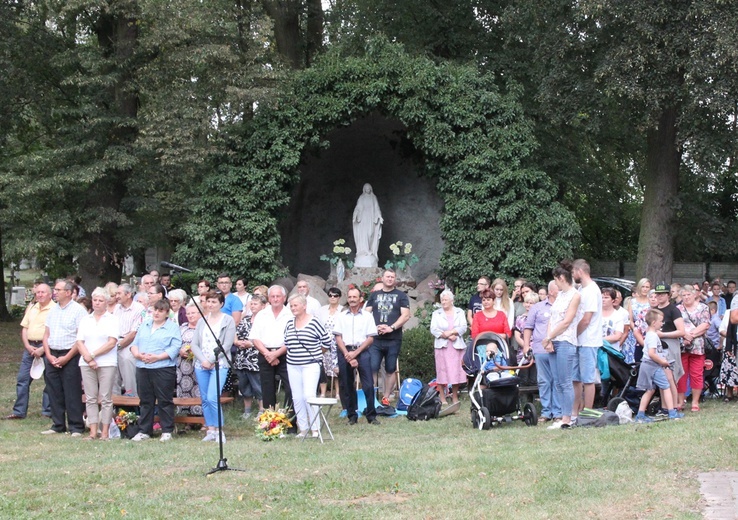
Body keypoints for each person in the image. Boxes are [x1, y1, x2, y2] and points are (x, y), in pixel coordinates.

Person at [130, 299, 182, 442]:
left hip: (163, 368)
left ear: (167, 313)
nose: (157, 313)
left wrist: (158, 357)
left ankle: (167, 430)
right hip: (143, 367)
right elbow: (135, 344)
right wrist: (137, 354)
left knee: (165, 400)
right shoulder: (144, 325)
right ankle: (144, 430)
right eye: (155, 310)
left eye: (161, 311)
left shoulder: (172, 327)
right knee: (145, 400)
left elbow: (175, 346)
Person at [42, 279, 89, 436]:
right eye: (54, 289)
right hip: (52, 354)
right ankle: (58, 424)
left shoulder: (78, 311)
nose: (55, 292)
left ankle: (76, 426)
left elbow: (79, 338)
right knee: (54, 390)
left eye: (58, 290)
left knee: (72, 391)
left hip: (70, 354)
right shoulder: (53, 310)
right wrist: (48, 354)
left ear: (68, 293)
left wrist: (67, 357)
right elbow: (46, 334)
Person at [190, 291, 236, 443]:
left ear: (221, 304)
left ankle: (219, 429)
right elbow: (194, 344)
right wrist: (203, 360)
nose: (210, 304)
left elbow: (227, 344)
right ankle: (210, 429)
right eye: (208, 301)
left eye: (214, 302)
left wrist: (210, 360)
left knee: (212, 397)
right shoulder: (202, 321)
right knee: (204, 399)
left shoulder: (227, 320)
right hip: (201, 364)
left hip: (219, 364)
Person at [284, 294, 332, 438]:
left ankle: (315, 428)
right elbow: (287, 343)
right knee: (297, 397)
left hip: (310, 364)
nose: (293, 308)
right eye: (291, 306)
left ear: (304, 306)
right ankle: (303, 428)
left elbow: (326, 342)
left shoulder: (314, 322)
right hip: (292, 364)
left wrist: (316, 354)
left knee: (309, 396)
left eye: (295, 305)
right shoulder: (289, 323)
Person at [6, 283, 55, 420]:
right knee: (22, 379)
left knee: (49, 380)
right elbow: (24, 328)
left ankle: (48, 411)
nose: (39, 295)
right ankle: (19, 411)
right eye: (38, 292)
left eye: (43, 292)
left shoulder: (55, 310)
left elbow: (55, 332)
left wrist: (42, 349)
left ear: (50, 295)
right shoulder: (32, 308)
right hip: (30, 347)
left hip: (46, 347)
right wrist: (27, 345)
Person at [76, 288, 119, 440]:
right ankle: (93, 431)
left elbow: (112, 342)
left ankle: (105, 432)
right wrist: (88, 358)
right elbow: (79, 342)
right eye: (95, 300)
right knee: (90, 397)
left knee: (106, 398)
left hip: (106, 362)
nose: (97, 303)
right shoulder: (85, 319)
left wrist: (93, 355)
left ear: (106, 302)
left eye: (101, 300)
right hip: (86, 362)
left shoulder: (112, 319)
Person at [542, 260, 580, 430]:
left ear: (562, 278)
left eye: (556, 280)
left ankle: (568, 418)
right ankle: (562, 415)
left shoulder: (575, 295)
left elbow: (566, 321)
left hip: (566, 341)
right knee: (557, 381)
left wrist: (550, 336)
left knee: (565, 381)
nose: (555, 283)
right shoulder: (560, 296)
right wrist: (548, 339)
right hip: (554, 340)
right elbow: (553, 318)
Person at [334, 286, 379, 425]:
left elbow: (371, 338)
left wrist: (356, 353)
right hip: (344, 351)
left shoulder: (367, 316)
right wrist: (348, 354)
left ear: (361, 299)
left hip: (362, 351)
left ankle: (371, 416)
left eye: (355, 297)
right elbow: (338, 337)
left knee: (368, 385)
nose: (352, 300)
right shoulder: (340, 316)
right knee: (347, 385)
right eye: (350, 297)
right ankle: (352, 416)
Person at [365, 269, 411, 405]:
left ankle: (386, 397)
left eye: (392, 277)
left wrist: (391, 327)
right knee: (372, 367)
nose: (390, 279)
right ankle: (371, 398)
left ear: (395, 279)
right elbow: (366, 314)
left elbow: (406, 315)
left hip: (393, 339)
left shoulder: (401, 295)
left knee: (391, 369)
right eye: (387, 276)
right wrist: (374, 327)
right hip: (376, 339)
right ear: (382, 278)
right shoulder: (374, 296)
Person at [249, 285, 293, 412]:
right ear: (268, 298)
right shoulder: (261, 314)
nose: (275, 299)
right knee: (267, 388)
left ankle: (290, 419)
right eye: (272, 296)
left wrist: (276, 354)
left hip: (285, 354)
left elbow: (292, 339)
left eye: (278, 296)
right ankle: (270, 422)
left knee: (290, 387)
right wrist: (268, 354)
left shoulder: (290, 314)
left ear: (284, 298)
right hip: (265, 353)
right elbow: (255, 338)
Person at [634, 309, 682, 422]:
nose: (662, 323)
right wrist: (662, 362)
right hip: (653, 365)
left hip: (647, 365)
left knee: (649, 390)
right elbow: (651, 354)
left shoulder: (650, 335)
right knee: (666, 387)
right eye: (661, 321)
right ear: (654, 322)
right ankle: (672, 412)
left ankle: (640, 414)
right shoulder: (652, 336)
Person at [524, 280, 561, 423]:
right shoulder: (537, 307)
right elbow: (528, 327)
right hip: (540, 349)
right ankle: (546, 412)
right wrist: (527, 346)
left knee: (558, 380)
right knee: (544, 381)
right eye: (559, 288)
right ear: (551, 291)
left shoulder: (564, 307)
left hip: (558, 349)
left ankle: (558, 412)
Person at [572, 259, 602, 416]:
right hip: (579, 341)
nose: (572, 275)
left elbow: (586, 319)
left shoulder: (591, 290)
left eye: (573, 272)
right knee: (575, 378)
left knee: (588, 379)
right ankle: (576, 411)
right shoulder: (582, 290)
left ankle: (588, 412)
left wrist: (573, 334)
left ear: (579, 271)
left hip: (588, 340)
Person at [429, 289, 468, 405]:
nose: (443, 302)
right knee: (442, 371)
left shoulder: (459, 312)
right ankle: (442, 397)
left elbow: (463, 327)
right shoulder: (437, 313)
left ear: (452, 300)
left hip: (456, 346)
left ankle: (455, 396)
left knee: (456, 371)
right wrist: (445, 335)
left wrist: (452, 333)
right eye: (442, 300)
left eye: (446, 300)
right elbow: (433, 329)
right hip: (442, 346)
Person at [677, 285, 711, 411]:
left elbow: (706, 324)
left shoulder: (703, 307)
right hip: (682, 345)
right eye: (684, 295)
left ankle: (695, 402)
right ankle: (681, 401)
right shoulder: (678, 308)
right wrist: (684, 336)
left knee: (697, 374)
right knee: (681, 374)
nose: (686, 297)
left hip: (698, 346)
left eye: (688, 295)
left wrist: (691, 335)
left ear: (694, 294)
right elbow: (676, 325)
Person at [234, 295, 266, 419]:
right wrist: (237, 342)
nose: (252, 306)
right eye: (251, 304)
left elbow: (267, 338)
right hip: (242, 358)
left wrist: (251, 343)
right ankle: (247, 410)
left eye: (255, 304)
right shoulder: (245, 319)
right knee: (244, 384)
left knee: (258, 385)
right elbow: (235, 333)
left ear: (263, 306)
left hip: (256, 358)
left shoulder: (265, 320)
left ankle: (262, 410)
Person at [653, 283, 685, 410]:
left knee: (670, 377)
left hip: (670, 344)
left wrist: (663, 334)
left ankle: (674, 406)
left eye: (662, 294)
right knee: (662, 377)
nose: (659, 296)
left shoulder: (674, 310)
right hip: (657, 345)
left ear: (668, 295)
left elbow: (681, 331)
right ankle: (664, 406)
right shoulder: (654, 310)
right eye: (658, 294)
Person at [113, 283, 145, 397]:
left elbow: (133, 333)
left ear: (128, 294)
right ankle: (115, 404)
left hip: (130, 344)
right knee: (112, 373)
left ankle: (132, 400)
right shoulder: (117, 308)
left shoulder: (139, 308)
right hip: (114, 343)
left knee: (126, 360)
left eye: (119, 293)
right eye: (116, 293)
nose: (116, 296)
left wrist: (118, 346)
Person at [315, 287, 343, 399]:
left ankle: (337, 393)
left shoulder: (342, 310)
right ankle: (322, 392)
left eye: (335, 295)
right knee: (323, 367)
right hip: (323, 341)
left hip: (337, 341)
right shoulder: (322, 310)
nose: (332, 297)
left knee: (336, 368)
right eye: (330, 295)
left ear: (339, 297)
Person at [177, 304, 202, 418]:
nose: (190, 316)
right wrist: (180, 351)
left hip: (199, 364)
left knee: (199, 389)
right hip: (183, 366)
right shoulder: (182, 327)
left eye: (193, 313)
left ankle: (201, 418)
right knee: (184, 390)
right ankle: (187, 418)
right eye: (188, 313)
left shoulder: (204, 327)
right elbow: (175, 343)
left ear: (200, 313)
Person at [352, 183, 383, 267]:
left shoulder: (373, 198)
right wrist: (355, 216)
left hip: (371, 219)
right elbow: (358, 208)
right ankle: (364, 250)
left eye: (369, 188)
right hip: (363, 220)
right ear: (364, 189)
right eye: (366, 188)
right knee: (364, 235)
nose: (367, 189)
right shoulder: (361, 198)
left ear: (371, 189)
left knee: (370, 234)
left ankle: (370, 249)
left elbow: (377, 208)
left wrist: (380, 217)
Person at [626, 278, 652, 363]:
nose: (645, 289)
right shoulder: (632, 302)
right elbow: (630, 319)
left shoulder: (651, 301)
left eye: (647, 287)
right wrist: (635, 329)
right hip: (635, 332)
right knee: (635, 359)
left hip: (648, 331)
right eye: (643, 287)